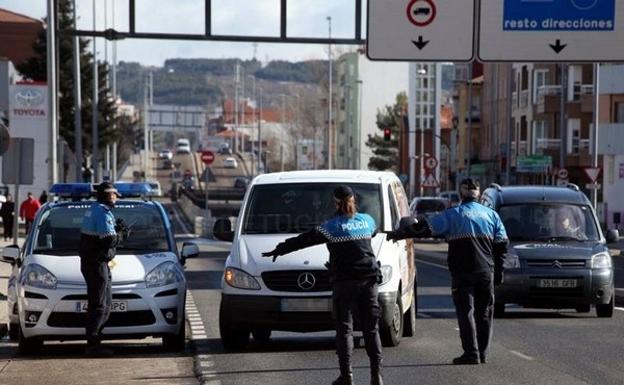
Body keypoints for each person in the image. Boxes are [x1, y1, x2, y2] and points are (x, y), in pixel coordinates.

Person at [262, 186, 384, 385]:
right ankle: (376, 376)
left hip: (344, 282)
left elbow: (304, 240)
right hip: (369, 281)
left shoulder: (331, 226)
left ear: (335, 203)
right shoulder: (367, 220)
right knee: (371, 329)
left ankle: (347, 376)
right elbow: (373, 233)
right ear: (354, 200)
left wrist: (280, 249)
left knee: (344, 329)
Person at [387, 178, 508, 365]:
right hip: (486, 272)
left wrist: (399, 234)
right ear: (479, 193)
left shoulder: (452, 215)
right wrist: (499, 270)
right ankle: (483, 353)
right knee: (484, 313)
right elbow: (502, 244)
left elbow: (425, 229)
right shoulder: (491, 215)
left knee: (465, 312)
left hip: (462, 273)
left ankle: (471, 353)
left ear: (461, 194)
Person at [79, 182, 129, 356]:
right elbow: (107, 240)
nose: (116, 198)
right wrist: (121, 235)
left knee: (104, 303)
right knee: (100, 304)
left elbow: (99, 235)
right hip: (96, 263)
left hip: (94, 262)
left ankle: (95, 342)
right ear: (107, 195)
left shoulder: (93, 209)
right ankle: (93, 345)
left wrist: (115, 230)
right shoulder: (102, 212)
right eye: (114, 194)